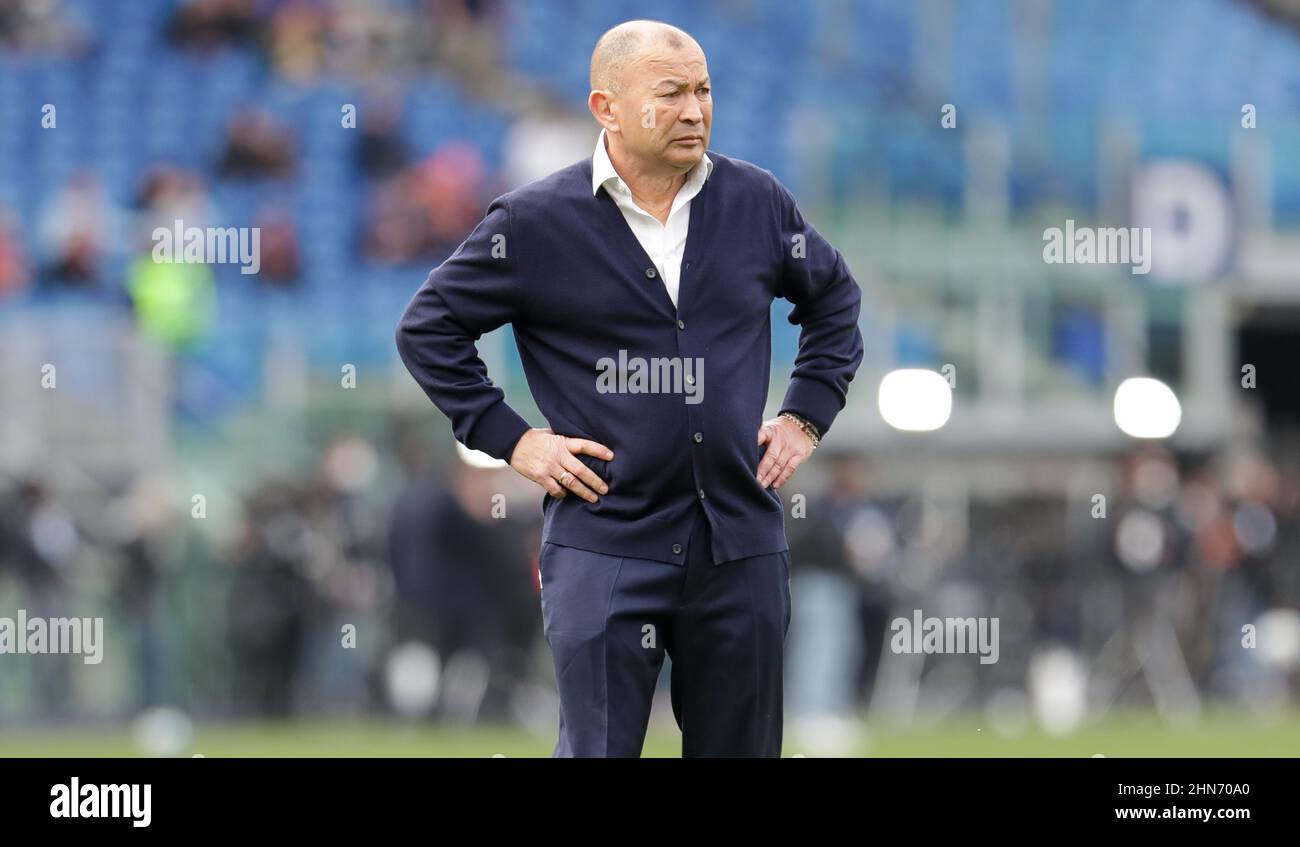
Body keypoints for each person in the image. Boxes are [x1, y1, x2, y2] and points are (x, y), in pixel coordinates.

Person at [396, 19, 864, 757]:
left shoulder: (757, 202)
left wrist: (807, 413)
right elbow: (428, 328)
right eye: (670, 92)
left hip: (740, 544)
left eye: (704, 91)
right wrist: (512, 439)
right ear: (606, 107)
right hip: (604, 544)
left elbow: (835, 301)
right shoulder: (534, 221)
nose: (694, 110)